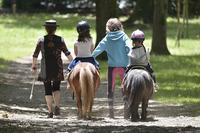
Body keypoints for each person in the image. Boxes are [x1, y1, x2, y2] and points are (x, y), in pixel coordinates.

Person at [32, 20, 73, 118]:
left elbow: (35, 54)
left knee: (47, 89)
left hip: (45, 67)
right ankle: (57, 106)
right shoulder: (60, 40)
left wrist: (34, 66)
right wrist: (73, 62)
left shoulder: (41, 40)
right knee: (56, 87)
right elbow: (67, 53)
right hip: (57, 66)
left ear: (46, 29)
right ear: (55, 29)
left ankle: (50, 112)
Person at [92, 18, 131, 118]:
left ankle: (111, 112)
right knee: (125, 88)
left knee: (111, 89)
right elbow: (129, 48)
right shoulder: (124, 36)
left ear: (108, 28)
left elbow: (98, 50)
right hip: (124, 67)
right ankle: (126, 112)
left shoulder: (107, 38)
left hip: (112, 67)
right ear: (120, 27)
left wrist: (91, 57)